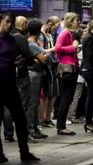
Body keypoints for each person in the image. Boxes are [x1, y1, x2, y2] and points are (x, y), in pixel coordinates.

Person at [0, 12, 40, 163]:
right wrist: (12, 64)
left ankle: (25, 152)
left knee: (21, 118)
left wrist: (19, 62)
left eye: (12, 23)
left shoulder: (12, 39)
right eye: (7, 22)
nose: (9, 26)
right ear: (2, 21)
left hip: (10, 84)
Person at [55, 12, 81, 135]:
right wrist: (72, 47)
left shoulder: (69, 33)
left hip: (71, 68)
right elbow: (58, 48)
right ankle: (61, 126)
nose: (78, 22)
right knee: (66, 98)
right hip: (66, 69)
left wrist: (75, 48)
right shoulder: (64, 33)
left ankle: (62, 125)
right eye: (76, 20)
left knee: (68, 98)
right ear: (70, 21)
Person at [37, 16, 60, 128]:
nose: (55, 30)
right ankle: (41, 119)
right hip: (44, 68)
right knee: (44, 95)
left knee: (53, 94)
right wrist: (54, 49)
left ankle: (47, 118)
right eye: (55, 28)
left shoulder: (50, 35)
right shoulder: (41, 35)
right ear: (49, 23)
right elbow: (40, 51)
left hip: (52, 67)